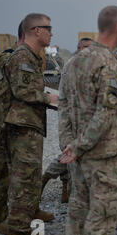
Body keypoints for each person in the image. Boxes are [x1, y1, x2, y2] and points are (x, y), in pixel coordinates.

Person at [58, 5, 117, 235]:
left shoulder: (73, 62)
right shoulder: (110, 64)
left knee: (78, 211)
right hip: (103, 155)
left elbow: (63, 105)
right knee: (102, 217)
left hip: (77, 156)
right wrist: (78, 146)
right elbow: (105, 114)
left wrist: (69, 144)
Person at [4, 13, 59, 235]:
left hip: (30, 125)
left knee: (31, 175)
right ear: (36, 30)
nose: (51, 33)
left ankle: (30, 212)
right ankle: (17, 233)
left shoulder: (34, 57)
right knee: (23, 179)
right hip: (23, 127)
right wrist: (50, 97)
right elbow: (22, 91)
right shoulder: (23, 57)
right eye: (48, 28)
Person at [41, 38, 93, 204]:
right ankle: (48, 177)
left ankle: (64, 188)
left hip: (86, 122)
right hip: (72, 122)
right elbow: (64, 101)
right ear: (78, 49)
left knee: (75, 157)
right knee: (71, 155)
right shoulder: (71, 67)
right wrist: (65, 132)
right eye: (84, 47)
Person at [0, 21, 24, 234]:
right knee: (1, 173)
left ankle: (20, 211)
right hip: (1, 124)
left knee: (17, 172)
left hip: (10, 123)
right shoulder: (9, 59)